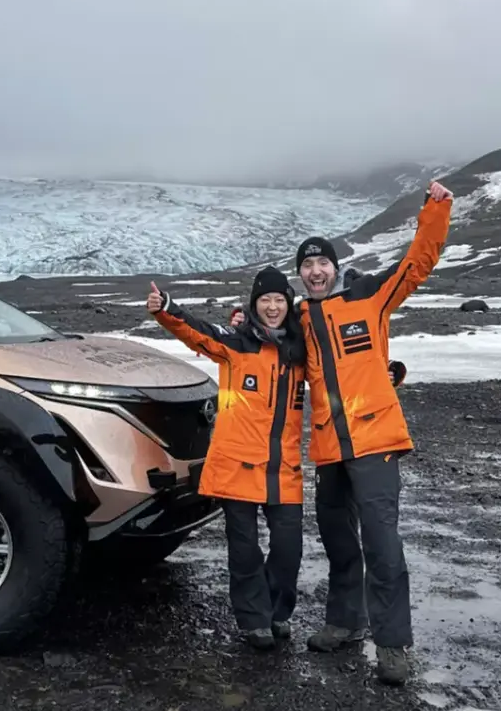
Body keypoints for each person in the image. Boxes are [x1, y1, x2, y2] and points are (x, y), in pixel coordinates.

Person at [232, 180, 454, 685]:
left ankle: (392, 644)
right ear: (300, 275)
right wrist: (240, 323)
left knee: (382, 544)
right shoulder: (299, 322)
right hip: (330, 449)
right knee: (339, 543)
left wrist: (436, 209)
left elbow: (416, 264)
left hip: (375, 444)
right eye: (306, 266)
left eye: (322, 263)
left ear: (334, 267)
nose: (315, 271)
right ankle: (344, 622)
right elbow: (264, 343)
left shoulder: (369, 297)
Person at [146, 266, 307, 650]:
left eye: (279, 300)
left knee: (288, 550)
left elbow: (339, 375)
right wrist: (166, 308)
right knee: (245, 548)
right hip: (237, 466)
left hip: (282, 469)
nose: (272, 307)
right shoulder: (236, 345)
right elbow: (197, 332)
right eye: (265, 300)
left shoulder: (299, 354)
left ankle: (277, 611)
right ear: (253, 305)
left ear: (288, 305)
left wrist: (385, 376)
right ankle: (254, 621)